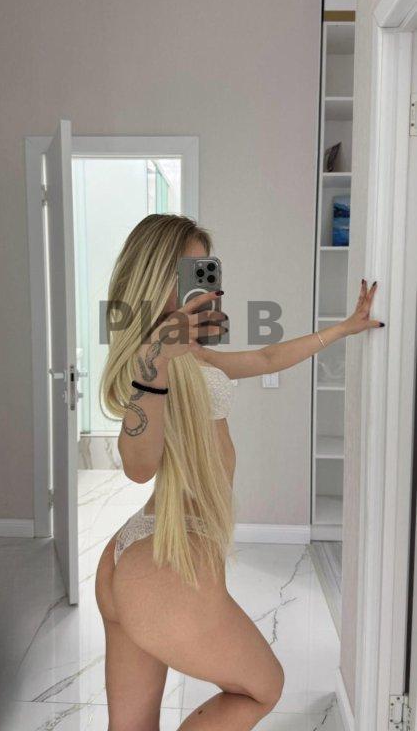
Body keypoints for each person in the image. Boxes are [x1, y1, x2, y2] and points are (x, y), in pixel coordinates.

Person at [95, 213, 383, 731]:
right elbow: (138, 467)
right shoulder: (149, 362)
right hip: (167, 558)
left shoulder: (193, 355)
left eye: (205, 270)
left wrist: (343, 328)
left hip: (138, 556)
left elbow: (268, 357)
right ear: (154, 277)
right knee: (261, 689)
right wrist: (156, 364)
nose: (205, 285)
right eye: (189, 272)